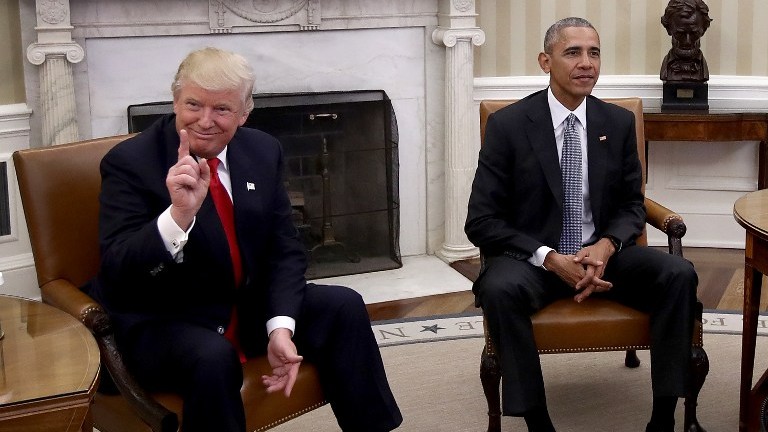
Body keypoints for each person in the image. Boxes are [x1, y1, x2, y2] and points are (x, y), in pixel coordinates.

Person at [87, 47, 402, 432]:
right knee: (212, 357)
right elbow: (120, 271)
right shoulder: (132, 162)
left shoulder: (261, 150)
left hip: (238, 305)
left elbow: (285, 249)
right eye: (193, 105)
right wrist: (178, 217)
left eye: (222, 109)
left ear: (244, 113)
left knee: (343, 306)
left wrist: (281, 327)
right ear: (174, 100)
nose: (206, 120)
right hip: (162, 320)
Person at [465, 17, 698, 432]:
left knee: (678, 273)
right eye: (573, 52)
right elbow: (481, 221)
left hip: (603, 256)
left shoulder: (617, 123)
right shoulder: (509, 126)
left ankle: (663, 416)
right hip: (534, 261)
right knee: (499, 287)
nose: (586, 63)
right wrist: (549, 257)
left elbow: (631, 204)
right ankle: (537, 421)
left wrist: (607, 245)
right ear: (545, 60)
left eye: (594, 53)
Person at [660, 0, 713, 82]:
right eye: (680, 34)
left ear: (703, 30)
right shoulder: (666, 68)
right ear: (669, 29)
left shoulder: (703, 68)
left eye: (694, 34)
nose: (687, 42)